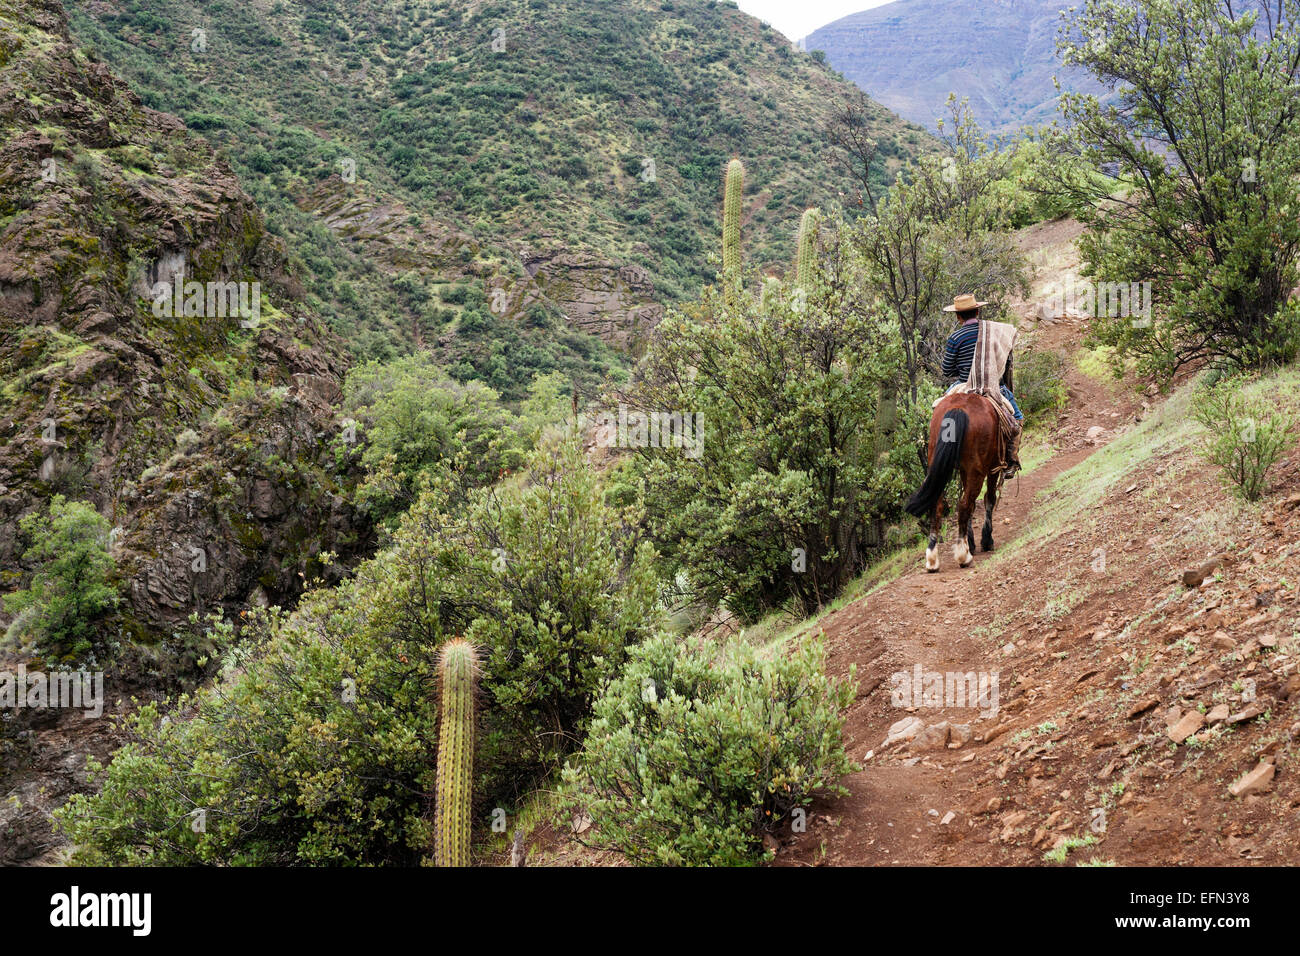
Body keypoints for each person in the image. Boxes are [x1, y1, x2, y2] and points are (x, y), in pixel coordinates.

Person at [940, 293, 1022, 473]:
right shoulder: (995, 333)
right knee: (1017, 418)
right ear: (977, 311)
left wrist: (963, 371)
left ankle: (947, 452)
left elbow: (946, 370)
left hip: (963, 385)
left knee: (941, 410)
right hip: (993, 386)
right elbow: (1005, 360)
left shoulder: (955, 338)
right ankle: (1010, 460)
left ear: (958, 316)